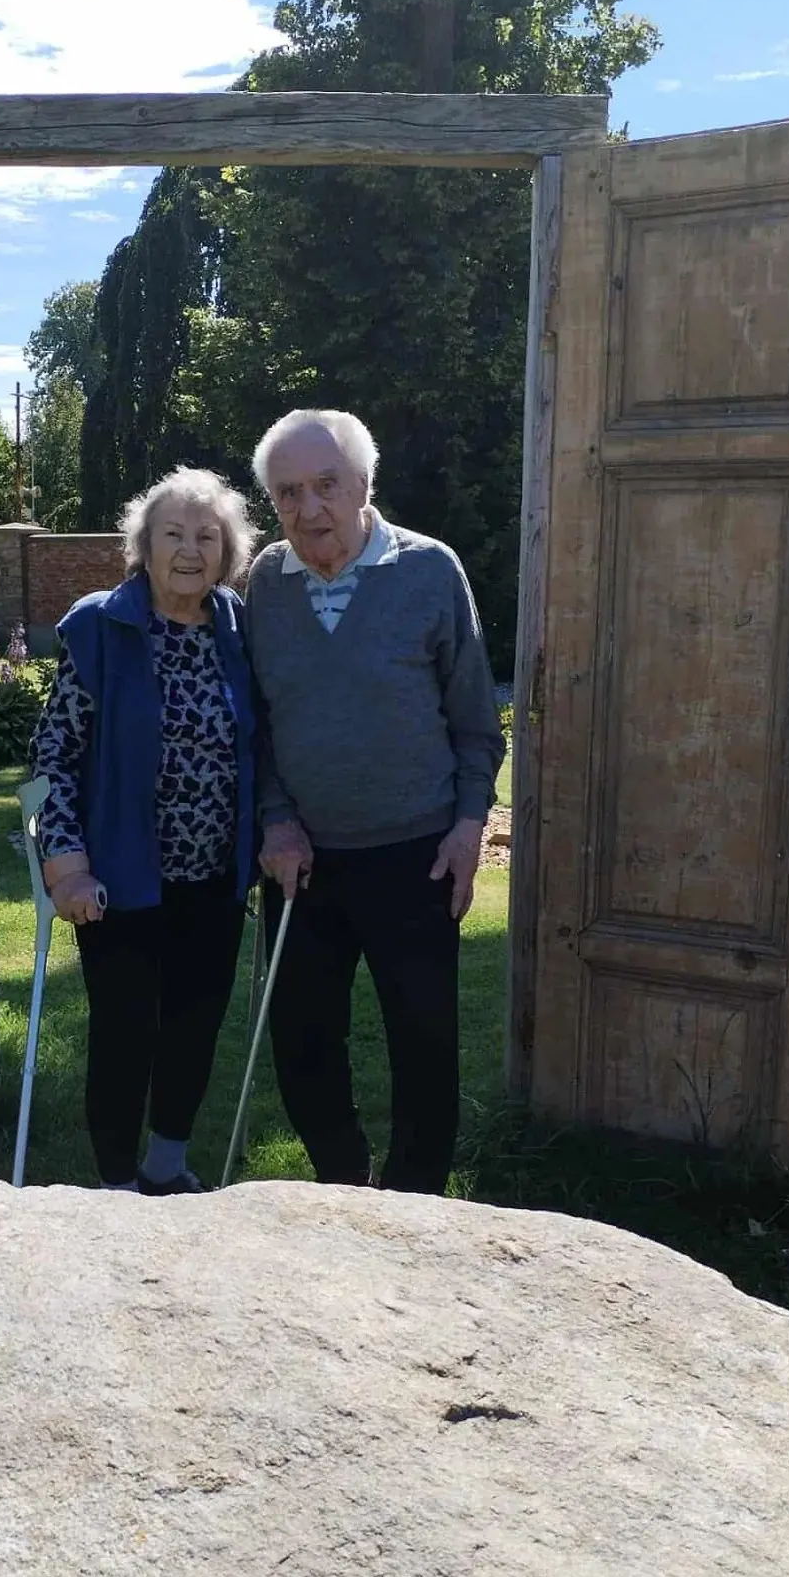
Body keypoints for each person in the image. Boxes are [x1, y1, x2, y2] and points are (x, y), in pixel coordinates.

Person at [244, 407, 505, 1196]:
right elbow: (257, 724)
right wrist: (276, 818)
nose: (309, 508)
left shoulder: (429, 572)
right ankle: (344, 1182)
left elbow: (475, 721)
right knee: (300, 1041)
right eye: (289, 492)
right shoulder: (264, 583)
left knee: (423, 1041)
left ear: (364, 484)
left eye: (326, 485)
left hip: (417, 852)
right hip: (303, 860)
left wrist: (468, 827)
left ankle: (415, 1201)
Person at [28, 467, 258, 1195]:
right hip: (119, 878)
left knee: (196, 1022)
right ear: (144, 546)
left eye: (206, 536)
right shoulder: (100, 626)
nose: (189, 550)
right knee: (126, 1031)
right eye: (173, 534)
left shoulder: (237, 628)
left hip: (214, 876)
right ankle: (116, 1186)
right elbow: (53, 755)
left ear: (227, 551)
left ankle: (165, 1165)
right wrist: (65, 864)